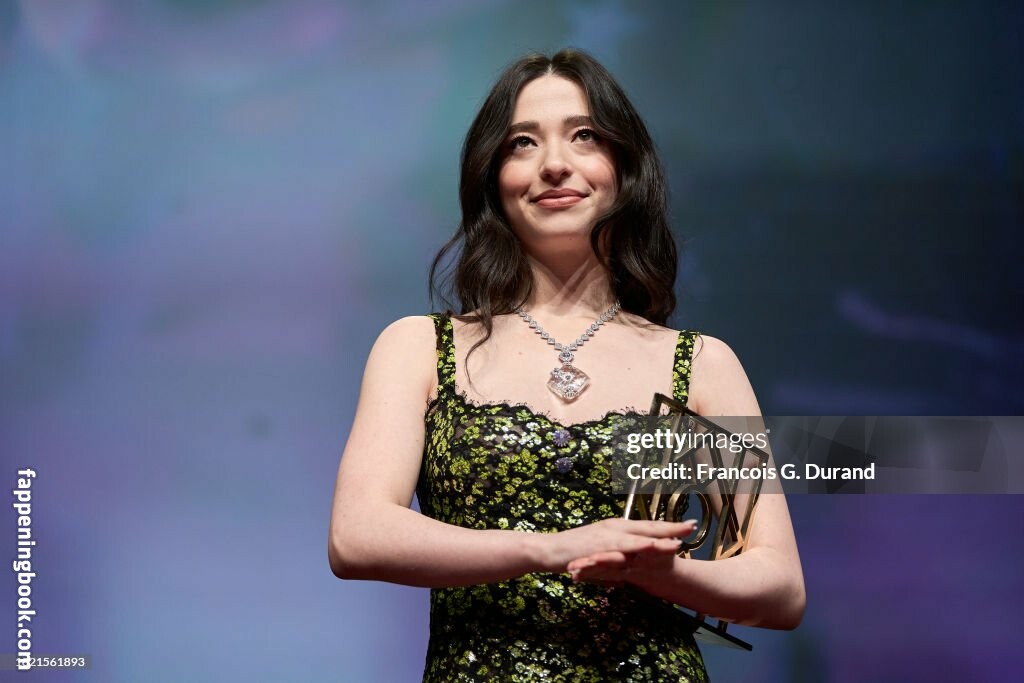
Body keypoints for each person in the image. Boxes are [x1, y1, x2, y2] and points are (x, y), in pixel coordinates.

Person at [328, 48, 805, 682]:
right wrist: (549, 549)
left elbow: (780, 586)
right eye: (523, 143)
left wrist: (667, 575)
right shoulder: (420, 347)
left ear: (624, 168)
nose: (555, 164)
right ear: (493, 178)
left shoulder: (698, 364)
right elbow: (357, 535)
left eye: (585, 137)